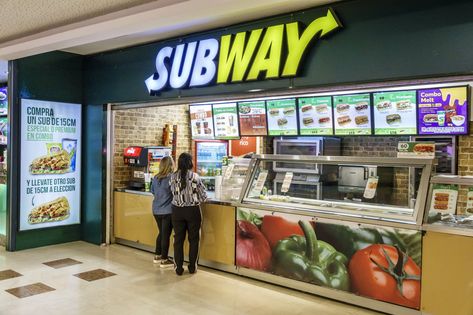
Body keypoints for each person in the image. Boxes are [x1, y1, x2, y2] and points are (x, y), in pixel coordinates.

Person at [170, 152, 207, 275]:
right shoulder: (195, 177)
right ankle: (192, 267)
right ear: (191, 163)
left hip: (177, 211)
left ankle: (178, 268)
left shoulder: (172, 177)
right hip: (193, 211)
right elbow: (203, 197)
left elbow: (172, 193)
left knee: (178, 240)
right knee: (194, 239)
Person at [150, 155, 175, 268]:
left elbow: (153, 191)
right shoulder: (171, 178)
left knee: (161, 233)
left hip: (156, 210)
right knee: (166, 234)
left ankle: (157, 255)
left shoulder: (155, 178)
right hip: (167, 211)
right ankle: (164, 260)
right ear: (170, 165)